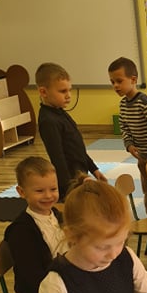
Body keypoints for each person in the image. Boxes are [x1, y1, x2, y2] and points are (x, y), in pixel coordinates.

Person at [108, 56, 147, 217]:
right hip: (142, 154)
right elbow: (124, 126)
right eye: (112, 82)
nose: (115, 86)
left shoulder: (144, 102)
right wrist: (129, 144)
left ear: (133, 79)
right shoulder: (123, 104)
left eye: (119, 81)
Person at [36, 62, 107, 197]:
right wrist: (70, 187)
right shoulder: (48, 121)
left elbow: (78, 149)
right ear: (43, 92)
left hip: (80, 175)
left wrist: (94, 169)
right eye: (63, 91)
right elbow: (58, 158)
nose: (68, 95)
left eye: (69, 90)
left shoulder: (60, 112)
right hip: (70, 181)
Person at [4, 156, 64, 293]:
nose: (48, 196)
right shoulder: (21, 231)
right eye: (39, 191)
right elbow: (32, 276)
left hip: (61, 279)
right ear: (22, 192)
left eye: (53, 189)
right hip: (39, 292)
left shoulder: (57, 216)